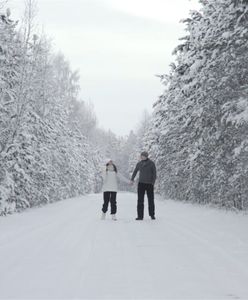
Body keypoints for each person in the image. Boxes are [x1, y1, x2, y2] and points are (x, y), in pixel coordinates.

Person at [131, 151, 157, 220]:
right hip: (141, 184)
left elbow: (154, 174)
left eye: (143, 156)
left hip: (149, 184)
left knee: (151, 200)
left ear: (146, 156)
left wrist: (152, 183)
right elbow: (135, 171)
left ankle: (152, 214)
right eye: (141, 156)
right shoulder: (139, 164)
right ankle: (140, 216)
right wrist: (132, 179)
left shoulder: (151, 163)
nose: (141, 157)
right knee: (140, 200)